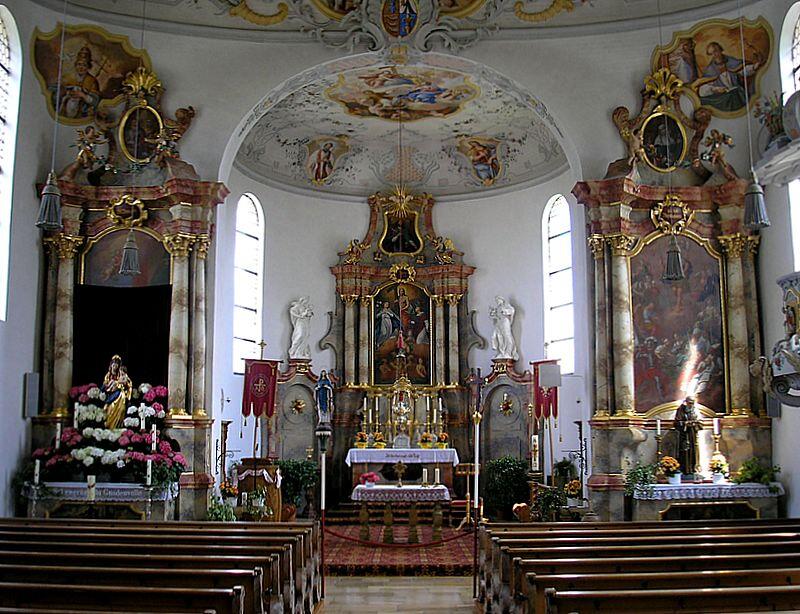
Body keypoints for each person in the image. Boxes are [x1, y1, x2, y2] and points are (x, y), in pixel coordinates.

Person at [697, 41, 761, 113]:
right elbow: (702, 88)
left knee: (736, 94)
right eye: (711, 54)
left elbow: (743, 70)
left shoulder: (731, 61)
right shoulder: (710, 70)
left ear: (720, 50)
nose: (714, 55)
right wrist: (714, 89)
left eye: (715, 51)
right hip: (722, 97)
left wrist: (754, 67)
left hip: (736, 92)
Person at [58, 46, 100, 120]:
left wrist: (83, 95)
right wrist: (67, 93)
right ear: (75, 65)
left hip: (83, 111)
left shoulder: (92, 81)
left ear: (88, 67)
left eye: (84, 65)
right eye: (79, 64)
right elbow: (60, 93)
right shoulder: (68, 78)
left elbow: (95, 101)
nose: (81, 67)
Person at [673, 396, 702, 475]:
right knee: (684, 451)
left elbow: (700, 422)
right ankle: (684, 469)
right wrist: (685, 423)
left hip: (692, 434)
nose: (691, 405)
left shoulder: (695, 411)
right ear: (686, 402)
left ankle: (693, 468)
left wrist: (695, 423)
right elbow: (676, 423)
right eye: (689, 403)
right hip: (684, 434)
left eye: (692, 403)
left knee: (693, 451)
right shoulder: (680, 410)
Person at [103, 355, 132, 429]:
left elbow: (128, 383)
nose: (115, 365)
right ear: (111, 364)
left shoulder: (121, 374)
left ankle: (118, 425)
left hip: (120, 396)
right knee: (110, 410)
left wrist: (121, 383)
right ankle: (109, 425)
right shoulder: (108, 375)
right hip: (110, 396)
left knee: (121, 408)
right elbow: (105, 386)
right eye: (114, 363)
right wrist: (111, 385)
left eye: (117, 364)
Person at [489, 296, 519, 360]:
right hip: (499, 323)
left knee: (507, 336)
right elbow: (494, 317)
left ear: (502, 300)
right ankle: (501, 351)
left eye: (498, 300)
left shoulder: (506, 306)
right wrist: (492, 314)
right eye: (496, 301)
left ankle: (508, 352)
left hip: (505, 322)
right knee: (498, 337)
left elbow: (512, 311)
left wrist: (505, 311)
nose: (497, 302)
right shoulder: (497, 308)